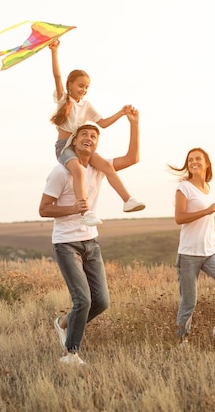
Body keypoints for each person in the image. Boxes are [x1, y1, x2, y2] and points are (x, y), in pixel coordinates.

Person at [39, 107, 141, 365]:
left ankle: (63, 322)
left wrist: (133, 124)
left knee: (101, 302)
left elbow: (132, 158)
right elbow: (43, 209)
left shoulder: (100, 168)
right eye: (84, 134)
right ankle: (70, 354)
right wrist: (73, 208)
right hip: (66, 243)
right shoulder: (61, 172)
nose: (89, 138)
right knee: (82, 300)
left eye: (94, 136)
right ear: (73, 140)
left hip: (91, 242)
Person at [48, 39, 144, 227]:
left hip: (82, 148)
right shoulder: (63, 100)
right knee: (78, 171)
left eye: (86, 87)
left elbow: (104, 124)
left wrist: (122, 113)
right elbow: (57, 76)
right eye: (80, 85)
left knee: (107, 167)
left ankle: (128, 200)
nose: (83, 90)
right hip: (65, 148)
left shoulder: (87, 106)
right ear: (70, 85)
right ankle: (85, 211)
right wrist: (54, 52)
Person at [168, 148, 215, 347]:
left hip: (210, 251)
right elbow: (180, 218)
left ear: (206, 163)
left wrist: (213, 233)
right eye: (190, 160)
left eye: (198, 159)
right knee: (189, 301)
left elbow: (204, 220)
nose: (194, 162)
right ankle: (182, 340)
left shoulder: (209, 187)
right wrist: (208, 210)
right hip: (188, 254)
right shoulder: (184, 187)